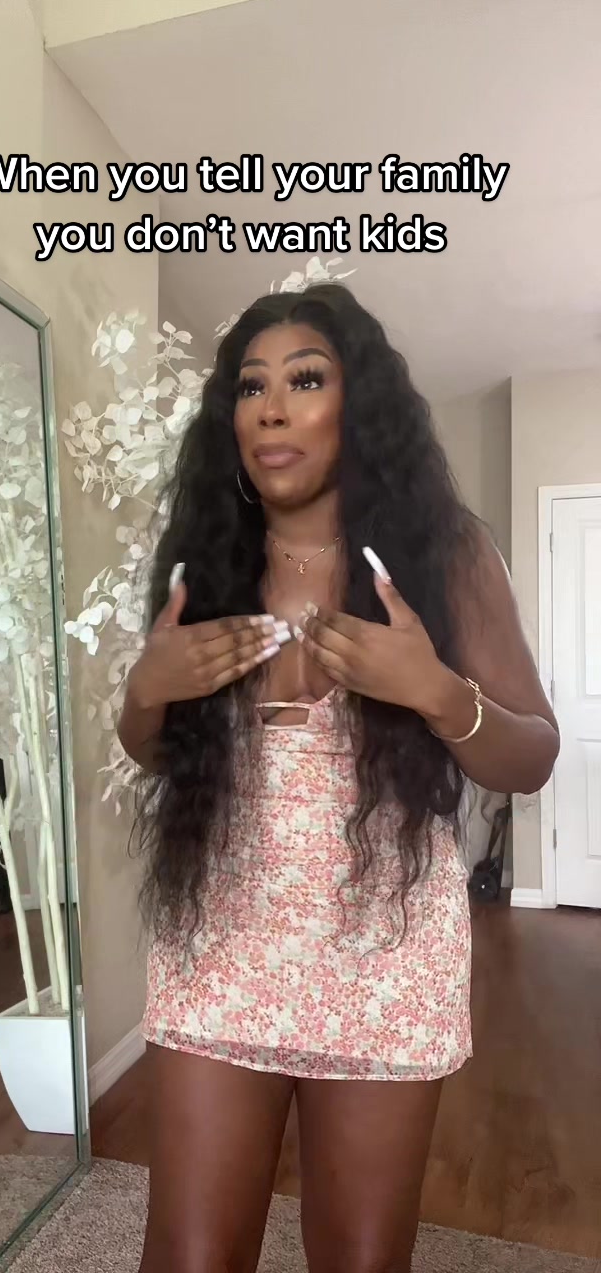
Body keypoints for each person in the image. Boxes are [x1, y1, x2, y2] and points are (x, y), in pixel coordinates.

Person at [118, 281, 559, 1273]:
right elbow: (158, 748)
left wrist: (437, 691)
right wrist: (146, 692)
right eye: (251, 386)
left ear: (357, 405)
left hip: (384, 959)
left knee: (361, 1261)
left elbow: (532, 754)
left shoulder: (445, 555)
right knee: (188, 1258)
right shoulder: (205, 561)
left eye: (306, 379)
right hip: (219, 950)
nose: (272, 409)